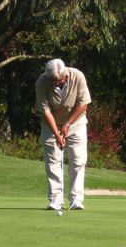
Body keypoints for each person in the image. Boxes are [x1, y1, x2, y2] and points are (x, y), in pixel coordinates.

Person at [35, 59, 91, 211]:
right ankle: (55, 200)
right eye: (52, 81)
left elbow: (83, 104)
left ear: (65, 75)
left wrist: (67, 125)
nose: (55, 83)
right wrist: (57, 134)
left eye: (58, 81)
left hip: (76, 123)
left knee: (78, 160)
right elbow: (45, 110)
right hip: (51, 124)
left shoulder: (77, 76)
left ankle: (76, 200)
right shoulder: (42, 81)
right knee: (53, 161)